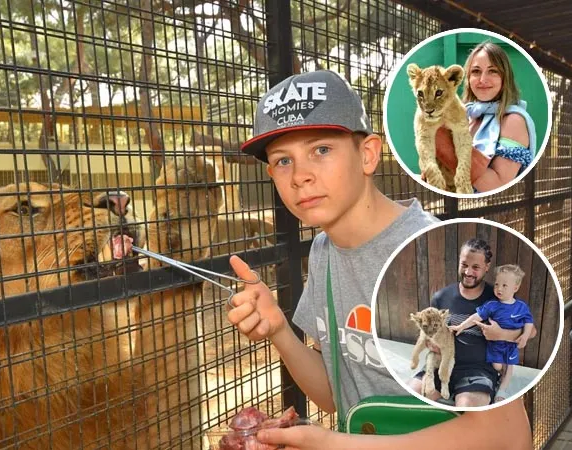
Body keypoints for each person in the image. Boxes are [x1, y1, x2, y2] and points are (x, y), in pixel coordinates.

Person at [226, 70, 534, 450]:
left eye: (321, 150)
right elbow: (338, 395)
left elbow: (507, 434)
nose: (300, 176)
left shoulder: (431, 252)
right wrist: (279, 332)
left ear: (368, 154)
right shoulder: (323, 252)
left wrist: (335, 444)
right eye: (282, 161)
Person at [408, 239, 538, 407]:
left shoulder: (498, 296)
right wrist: (429, 343)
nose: (468, 272)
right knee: (411, 398)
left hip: (478, 370)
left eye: (475, 267)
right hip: (441, 364)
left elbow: (532, 331)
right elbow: (426, 332)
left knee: (467, 406)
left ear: (487, 267)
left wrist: (502, 334)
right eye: (464, 265)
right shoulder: (441, 297)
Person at [433, 41, 538, 193]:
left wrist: (444, 143)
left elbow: (497, 185)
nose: (483, 80)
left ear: (504, 77)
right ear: (468, 78)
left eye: (492, 71)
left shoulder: (513, 120)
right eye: (476, 71)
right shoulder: (467, 115)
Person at [449, 264, 535, 403]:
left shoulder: (521, 307)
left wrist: (524, 336)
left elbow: (529, 322)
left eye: (504, 285)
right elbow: (476, 316)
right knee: (497, 366)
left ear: (516, 288)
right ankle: (499, 378)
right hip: (495, 345)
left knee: (508, 366)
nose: (499, 288)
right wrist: (461, 326)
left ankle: (502, 390)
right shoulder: (491, 305)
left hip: (511, 345)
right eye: (497, 284)